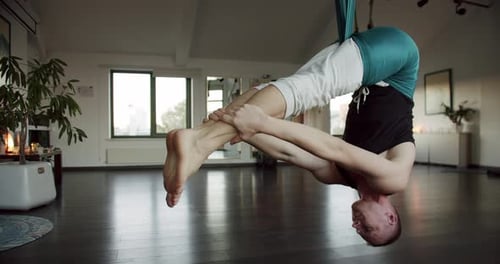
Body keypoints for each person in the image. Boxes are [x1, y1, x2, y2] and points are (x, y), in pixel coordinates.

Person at [163, 26, 419, 246]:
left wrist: (246, 129)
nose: (357, 228)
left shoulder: (340, 176)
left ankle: (197, 136)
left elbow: (288, 152)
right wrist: (263, 123)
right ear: (390, 217)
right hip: (399, 61)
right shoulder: (394, 179)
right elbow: (335, 148)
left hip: (368, 65)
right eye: (368, 230)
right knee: (311, 88)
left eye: (361, 234)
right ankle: (201, 143)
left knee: (280, 90)